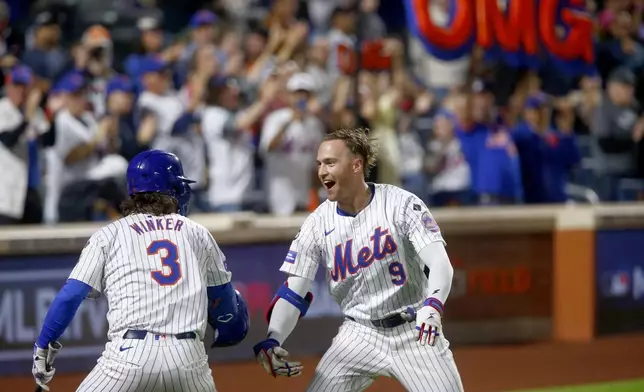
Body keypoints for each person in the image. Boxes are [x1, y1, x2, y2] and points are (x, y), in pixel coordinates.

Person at [252, 128, 464, 391]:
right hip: (359, 333)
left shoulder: (401, 203)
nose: (321, 171)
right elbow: (294, 291)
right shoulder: (317, 223)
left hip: (413, 329)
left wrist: (433, 305)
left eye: (330, 162)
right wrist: (273, 339)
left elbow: (439, 263)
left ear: (356, 165)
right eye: (320, 164)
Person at [32, 149, 250, 391]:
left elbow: (71, 296)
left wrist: (43, 346)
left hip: (128, 358)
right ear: (172, 189)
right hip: (189, 358)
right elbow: (226, 304)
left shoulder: (110, 234)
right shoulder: (197, 233)